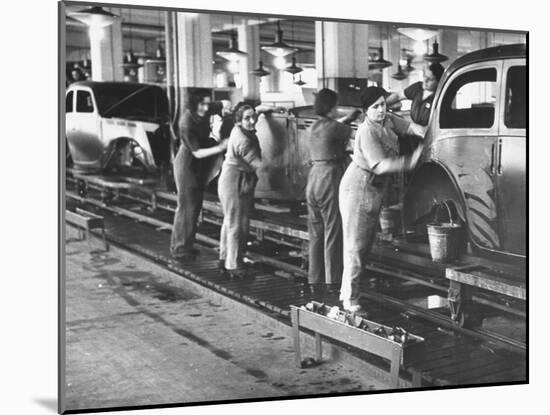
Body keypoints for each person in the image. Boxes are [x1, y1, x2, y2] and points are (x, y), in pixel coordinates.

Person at [339, 86, 425, 313]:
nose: (381, 110)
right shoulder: (367, 131)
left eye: (383, 104)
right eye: (375, 107)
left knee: (363, 246)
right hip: (359, 186)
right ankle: (350, 300)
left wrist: (426, 133)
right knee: (355, 246)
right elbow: (381, 165)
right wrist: (411, 161)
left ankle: (349, 292)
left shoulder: (386, 120)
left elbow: (408, 126)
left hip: (373, 188)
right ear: (366, 110)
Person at [306, 88, 357, 294]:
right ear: (331, 107)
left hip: (313, 179)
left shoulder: (315, 126)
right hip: (329, 178)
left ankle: (314, 279)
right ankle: (333, 280)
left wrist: (347, 118)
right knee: (333, 229)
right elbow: (358, 133)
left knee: (316, 231)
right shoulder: (335, 128)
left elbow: (335, 126)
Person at [170, 90, 228, 258]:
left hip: (199, 164)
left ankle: (186, 244)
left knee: (194, 206)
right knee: (187, 205)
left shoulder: (204, 108)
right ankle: (179, 248)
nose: (205, 108)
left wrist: (226, 105)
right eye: (202, 105)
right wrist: (220, 147)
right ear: (194, 105)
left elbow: (221, 104)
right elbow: (197, 152)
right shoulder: (186, 122)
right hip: (188, 163)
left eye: (207, 104)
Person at [218, 105, 262, 278]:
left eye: (254, 117)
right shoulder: (243, 140)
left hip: (233, 178)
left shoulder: (238, 130)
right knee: (237, 224)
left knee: (229, 221)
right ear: (239, 120)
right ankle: (234, 265)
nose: (252, 121)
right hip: (235, 180)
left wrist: (269, 109)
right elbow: (259, 165)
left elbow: (257, 110)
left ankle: (224, 258)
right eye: (247, 118)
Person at [386, 62, 444, 153]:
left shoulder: (440, 97)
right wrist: (382, 104)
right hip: (414, 134)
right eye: (425, 76)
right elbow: (398, 96)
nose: (425, 81)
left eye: (430, 79)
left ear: (438, 82)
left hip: (429, 138)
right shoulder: (417, 88)